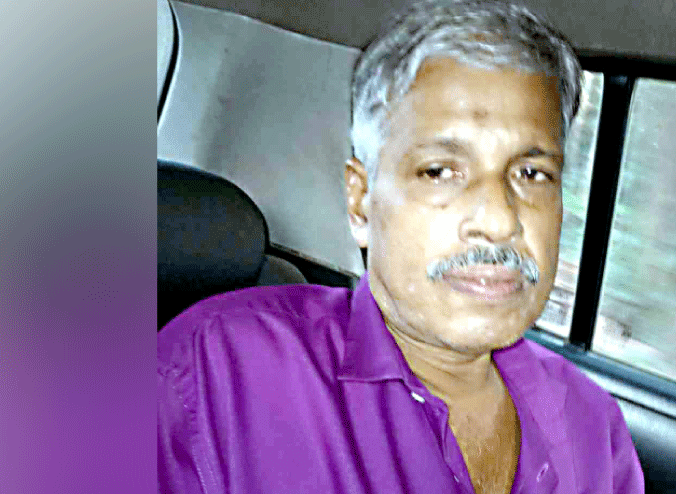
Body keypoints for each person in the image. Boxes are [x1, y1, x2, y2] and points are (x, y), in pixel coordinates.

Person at [158, 1, 645, 493]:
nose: (500, 220)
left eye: (531, 174)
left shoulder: (592, 426)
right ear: (361, 203)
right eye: (440, 171)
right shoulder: (214, 376)